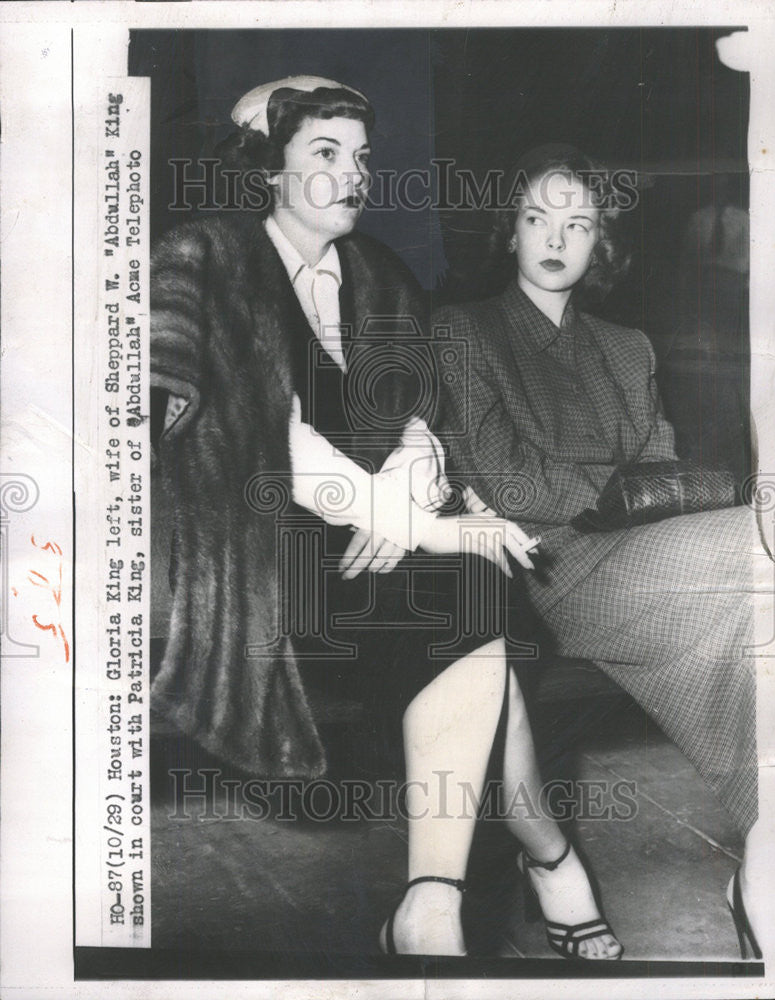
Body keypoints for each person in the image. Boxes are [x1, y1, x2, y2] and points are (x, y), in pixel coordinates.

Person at [150, 82, 623, 959]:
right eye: (325, 152)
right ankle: (549, 855)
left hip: (381, 533)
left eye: (361, 156)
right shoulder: (206, 256)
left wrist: (407, 496)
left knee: (471, 602)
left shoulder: (376, 271)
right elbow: (261, 441)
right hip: (261, 546)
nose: (354, 172)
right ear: (265, 167)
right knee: (475, 609)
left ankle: (428, 906)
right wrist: (415, 524)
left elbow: (422, 421)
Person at [435, 142, 772, 959]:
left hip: (651, 554)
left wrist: (630, 490)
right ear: (507, 233)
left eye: (577, 223)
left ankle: (766, 851)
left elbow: (657, 465)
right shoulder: (464, 332)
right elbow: (509, 484)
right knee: (760, 544)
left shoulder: (628, 346)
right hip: (556, 568)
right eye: (536, 218)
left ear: (599, 244)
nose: (556, 237)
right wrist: (616, 490)